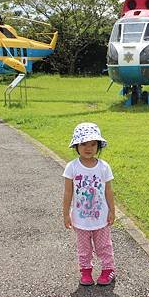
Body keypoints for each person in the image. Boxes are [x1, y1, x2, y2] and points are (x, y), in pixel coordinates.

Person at [62, 122, 116, 286]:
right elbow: (68, 193)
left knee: (104, 246)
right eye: (84, 144)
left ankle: (108, 269)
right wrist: (65, 214)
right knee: (83, 248)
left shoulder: (104, 167)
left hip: (101, 219)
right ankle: (85, 271)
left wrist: (112, 210)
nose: (88, 148)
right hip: (80, 219)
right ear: (76, 145)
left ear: (98, 146)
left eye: (93, 144)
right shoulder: (72, 167)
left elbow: (108, 191)